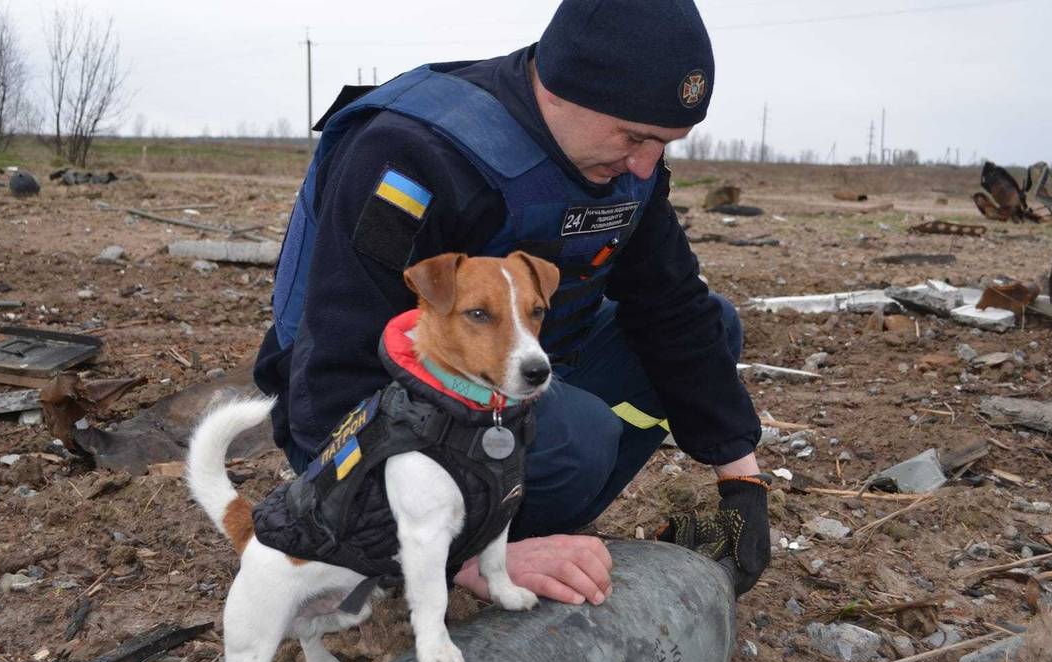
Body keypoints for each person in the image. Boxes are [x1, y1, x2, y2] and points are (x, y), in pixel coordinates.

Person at [254, 0, 770, 606]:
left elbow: (672, 307)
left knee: (715, 327)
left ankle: (529, 520)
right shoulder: (414, 153)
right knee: (579, 437)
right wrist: (467, 562)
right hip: (367, 414)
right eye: (635, 137)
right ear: (560, 89)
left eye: (665, 143)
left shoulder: (626, 166)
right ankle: (455, 543)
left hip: (520, 367)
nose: (645, 164)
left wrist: (743, 487)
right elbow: (337, 375)